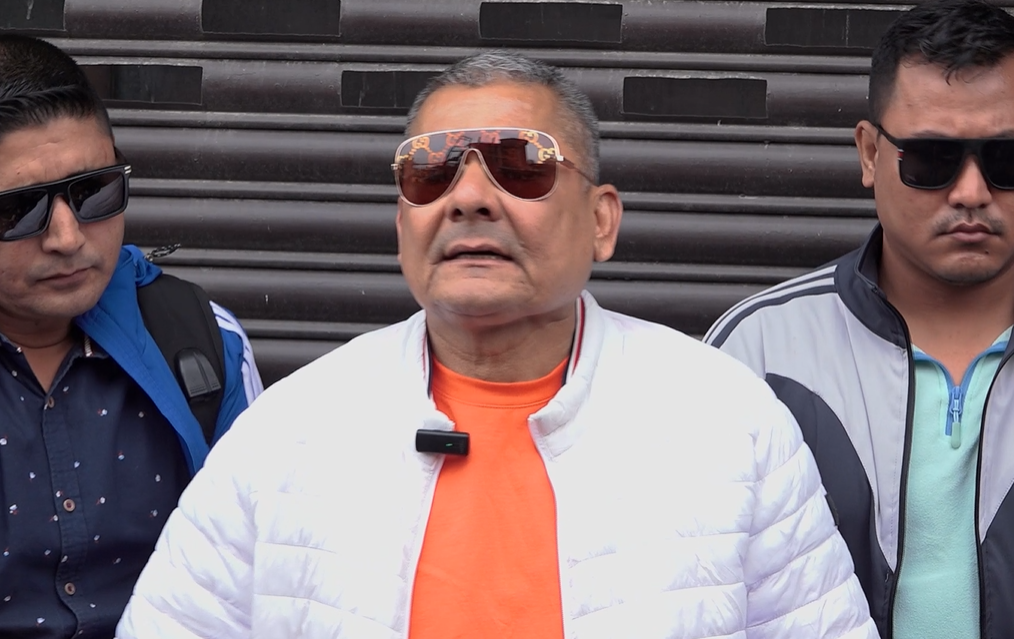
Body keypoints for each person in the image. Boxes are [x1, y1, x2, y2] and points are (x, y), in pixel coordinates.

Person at [116, 51, 876, 639]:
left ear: (602, 220)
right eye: (430, 170)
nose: (470, 198)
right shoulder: (289, 431)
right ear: (402, 222)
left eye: (521, 165)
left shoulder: (727, 422)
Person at [704, 1, 1014, 637]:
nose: (971, 192)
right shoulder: (758, 353)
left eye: (1010, 158)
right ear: (869, 153)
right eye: (931, 159)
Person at [0, 34, 262, 639]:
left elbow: (248, 577)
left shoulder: (201, 340)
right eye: (18, 210)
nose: (67, 237)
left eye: (92, 192)